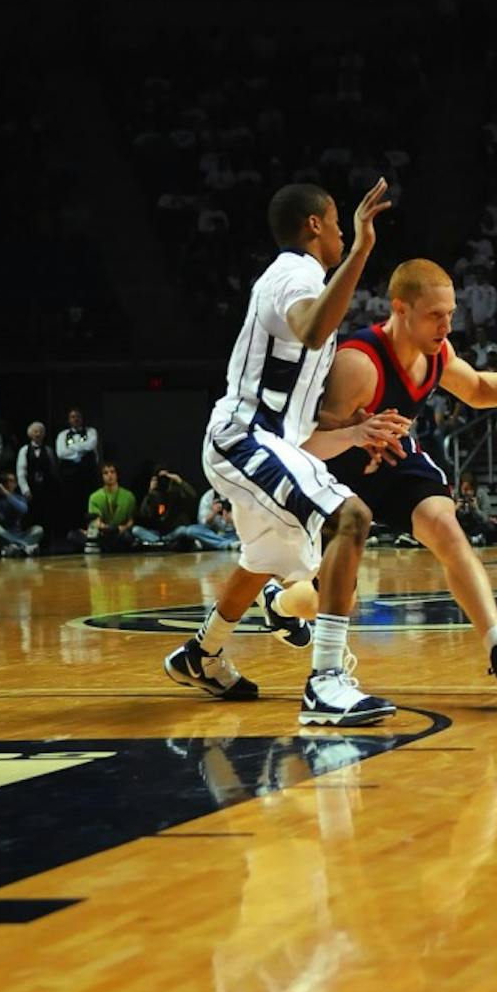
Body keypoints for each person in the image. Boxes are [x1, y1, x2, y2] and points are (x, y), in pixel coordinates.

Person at [164, 178, 410, 723]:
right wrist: (364, 249)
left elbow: (297, 421)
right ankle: (326, 683)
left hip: (262, 438)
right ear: (314, 225)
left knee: (262, 562)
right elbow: (314, 329)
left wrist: (353, 430)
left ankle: (201, 653)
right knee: (351, 516)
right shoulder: (295, 273)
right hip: (242, 437)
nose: (344, 234)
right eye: (339, 225)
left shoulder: (303, 281)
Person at [318, 258, 497, 703]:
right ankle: (280, 604)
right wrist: (355, 433)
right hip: (334, 474)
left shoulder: (436, 353)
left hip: (392, 460)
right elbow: (306, 440)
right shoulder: (358, 364)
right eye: (435, 315)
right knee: (329, 599)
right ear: (400, 309)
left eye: (450, 313)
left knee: (446, 525)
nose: (447, 326)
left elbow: (478, 389)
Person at [0, 471, 44, 557]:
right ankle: (24, 547)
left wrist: (6, 493)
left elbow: (23, 510)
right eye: (6, 481)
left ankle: (13, 549)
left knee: (38, 529)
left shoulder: (17, 497)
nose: (9, 484)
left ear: (16, 484)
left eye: (12, 481)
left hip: (15, 535)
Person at [56, 407, 101, 534]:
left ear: (82, 418)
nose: (75, 419)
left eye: (78, 416)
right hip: (70, 476)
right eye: (73, 417)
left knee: (89, 502)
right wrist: (80, 452)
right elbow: (61, 453)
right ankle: (73, 533)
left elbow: (91, 445)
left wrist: (72, 448)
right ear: (69, 420)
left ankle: (92, 532)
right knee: (71, 504)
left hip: (88, 475)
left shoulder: (91, 431)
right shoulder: (62, 435)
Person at [16, 422, 61, 544]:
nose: (38, 434)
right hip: (31, 490)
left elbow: (54, 471)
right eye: (35, 431)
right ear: (30, 434)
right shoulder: (24, 450)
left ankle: (46, 544)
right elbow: (21, 472)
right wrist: (25, 490)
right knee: (31, 516)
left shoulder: (49, 450)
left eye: (40, 432)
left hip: (46, 490)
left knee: (46, 517)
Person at [84, 462, 139, 552]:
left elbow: (131, 520)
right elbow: (96, 522)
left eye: (112, 472)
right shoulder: (94, 497)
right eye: (106, 473)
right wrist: (108, 529)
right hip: (103, 533)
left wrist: (122, 528)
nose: (110, 475)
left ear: (117, 474)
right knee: (74, 535)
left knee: (128, 536)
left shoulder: (129, 496)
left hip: (121, 532)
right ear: (102, 476)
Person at [453, 471, 495, 547]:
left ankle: (474, 538)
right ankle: (470, 539)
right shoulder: (455, 495)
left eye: (471, 489)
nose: (468, 492)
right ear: (460, 488)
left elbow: (485, 518)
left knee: (490, 527)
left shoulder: (482, 495)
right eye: (465, 489)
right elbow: (447, 517)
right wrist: (455, 508)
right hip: (461, 526)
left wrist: (476, 509)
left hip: (476, 525)